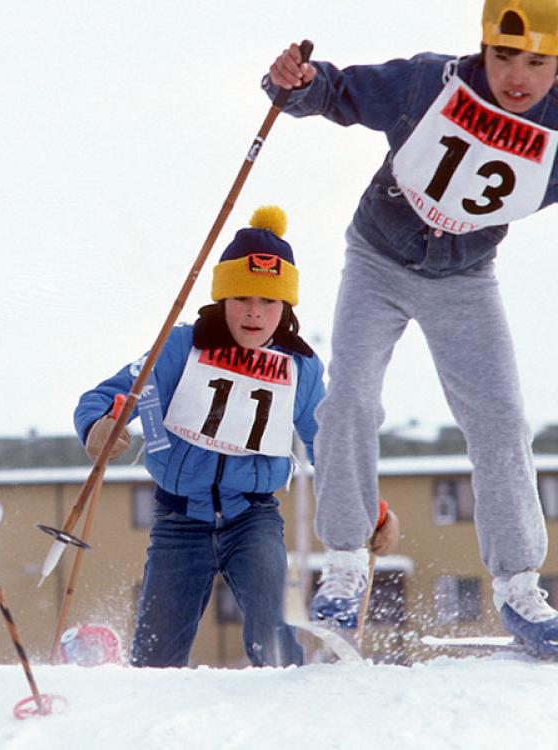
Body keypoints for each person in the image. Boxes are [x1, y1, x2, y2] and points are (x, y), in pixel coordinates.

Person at [265, 0, 558, 658]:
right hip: (379, 258)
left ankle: (519, 588)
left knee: (500, 418)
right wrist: (297, 84)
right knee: (351, 396)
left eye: (537, 64)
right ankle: (345, 563)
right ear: (483, 50)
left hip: (465, 277)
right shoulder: (431, 84)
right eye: (504, 57)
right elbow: (337, 92)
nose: (517, 77)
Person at [74, 207, 322, 668]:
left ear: (286, 306)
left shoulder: (300, 368)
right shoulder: (181, 347)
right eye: (242, 297)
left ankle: (288, 699)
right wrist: (99, 426)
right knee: (155, 657)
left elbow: (331, 445)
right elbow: (109, 396)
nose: (254, 311)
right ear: (222, 297)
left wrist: (365, 510)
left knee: (272, 636)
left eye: (269, 301)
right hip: (179, 520)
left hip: (253, 518)